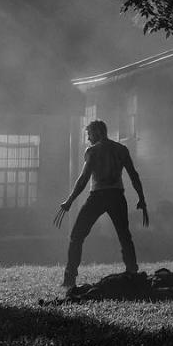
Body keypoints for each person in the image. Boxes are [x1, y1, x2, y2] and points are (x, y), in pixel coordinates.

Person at [54, 120, 149, 290]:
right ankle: (133, 272)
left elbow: (83, 180)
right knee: (124, 235)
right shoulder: (121, 149)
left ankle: (69, 278)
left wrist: (69, 201)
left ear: (97, 132)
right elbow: (134, 175)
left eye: (89, 134)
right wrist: (141, 198)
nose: (88, 138)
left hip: (98, 196)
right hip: (117, 195)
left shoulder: (92, 151)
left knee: (77, 235)